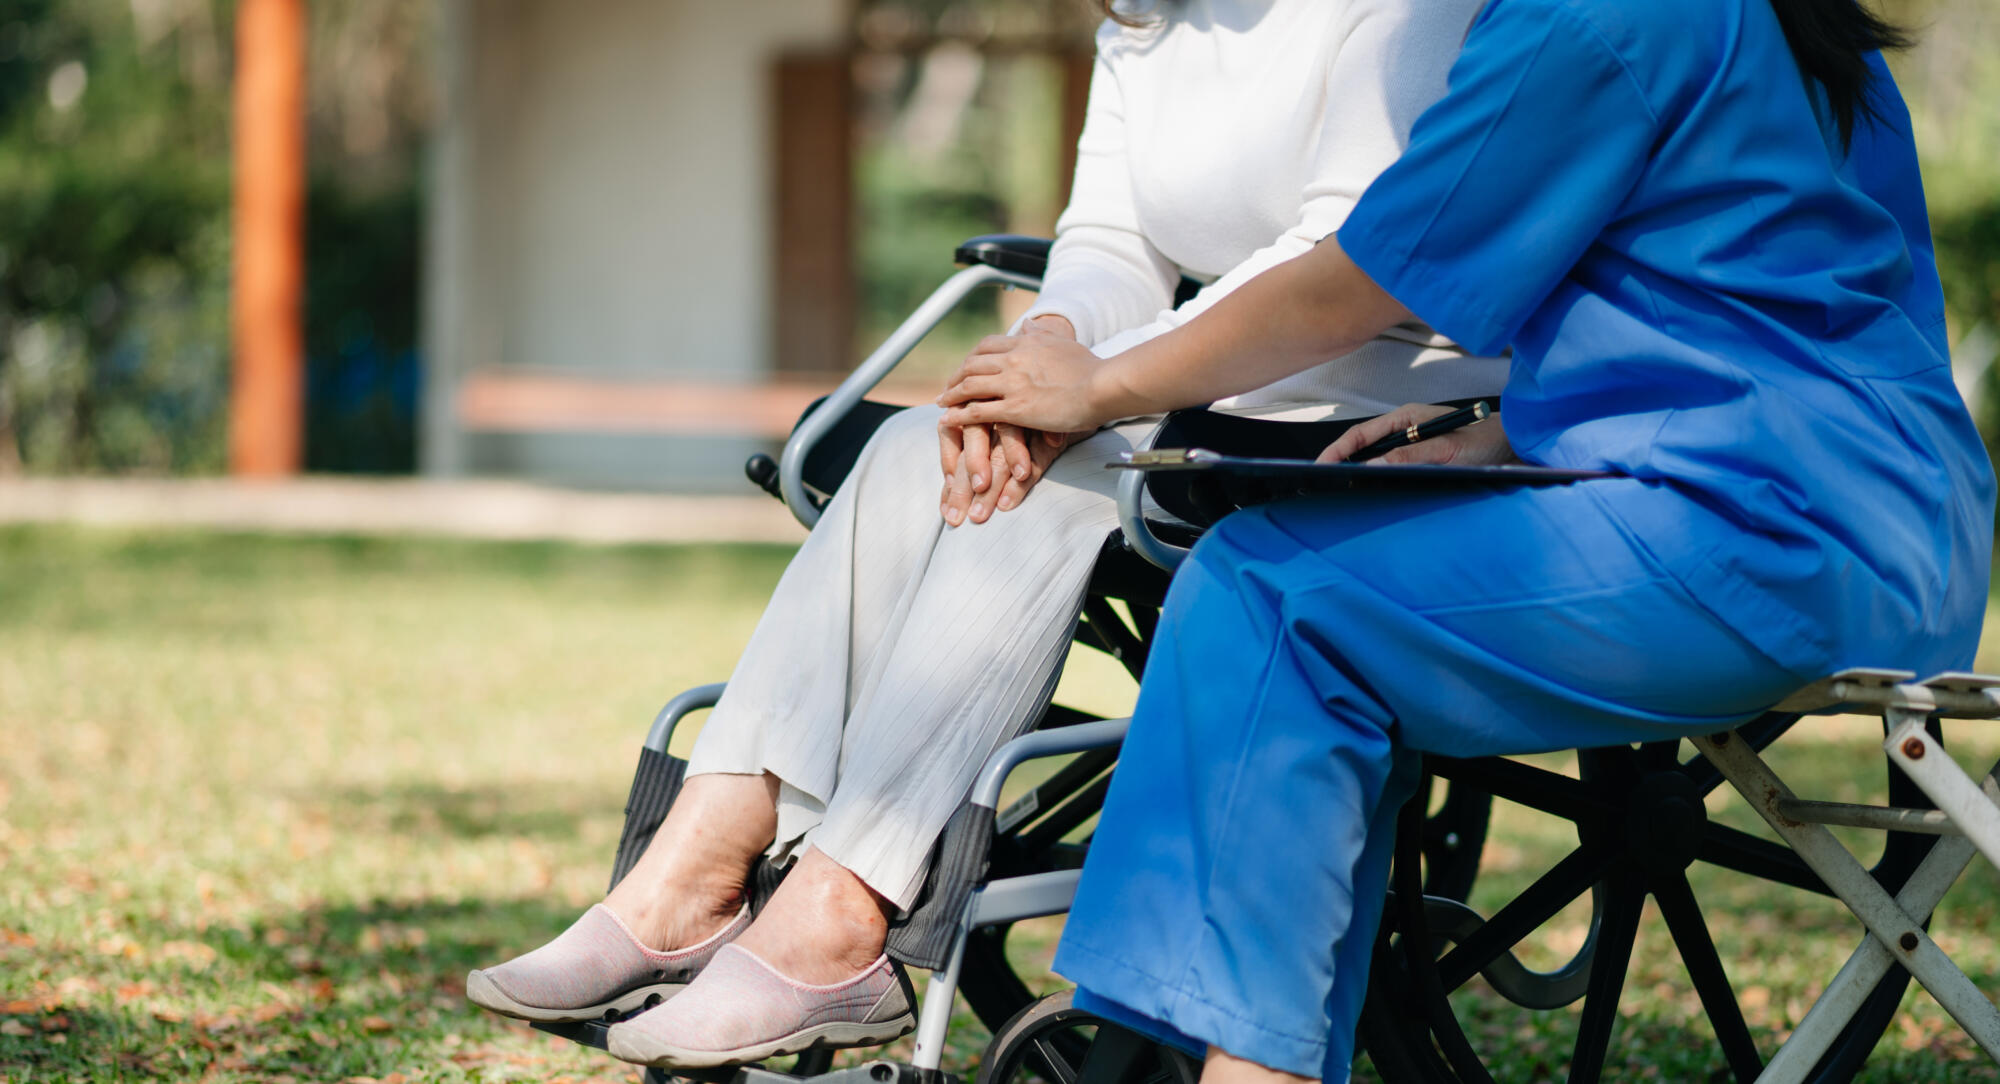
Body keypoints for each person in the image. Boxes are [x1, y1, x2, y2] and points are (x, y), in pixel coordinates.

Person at [935, 0, 1996, 1081]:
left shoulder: (1587, 17)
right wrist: (1496, 431)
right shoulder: (1796, 20)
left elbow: (1359, 280)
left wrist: (1101, 383)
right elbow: (1770, 295)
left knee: (1266, 598)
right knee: (1295, 595)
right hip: (1901, 528)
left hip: (1756, 538)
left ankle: (1248, 1065)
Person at [464, 0, 1508, 1071]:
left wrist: (1090, 387)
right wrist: (1045, 345)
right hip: (1172, 380)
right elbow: (1110, 241)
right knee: (916, 447)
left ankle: (840, 907)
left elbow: (1332, 262)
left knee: (1054, 480)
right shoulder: (1148, 17)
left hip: (1367, 392)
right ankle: (694, 860)